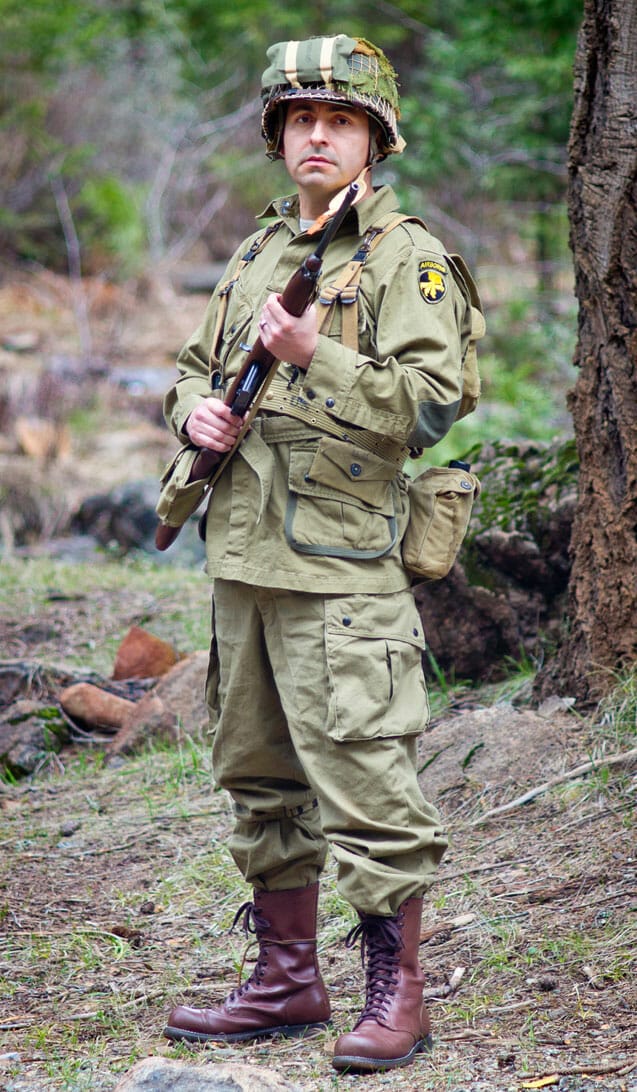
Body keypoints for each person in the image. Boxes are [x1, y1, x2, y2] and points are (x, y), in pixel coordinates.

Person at [162, 33, 475, 1073]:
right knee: (256, 776)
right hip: (244, 558)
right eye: (301, 119)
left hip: (338, 566)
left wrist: (317, 354)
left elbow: (430, 406)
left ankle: (400, 997)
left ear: (375, 139)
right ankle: (286, 982)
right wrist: (194, 414)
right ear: (277, 136)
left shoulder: (405, 257)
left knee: (364, 781)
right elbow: (190, 368)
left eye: (340, 120)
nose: (318, 135)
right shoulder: (258, 253)